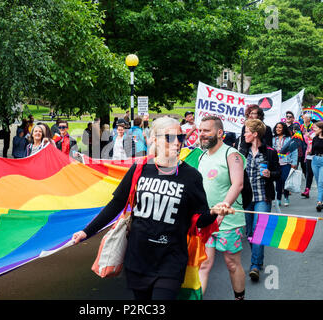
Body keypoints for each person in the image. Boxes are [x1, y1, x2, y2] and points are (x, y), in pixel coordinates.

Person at [72, 116, 234, 300]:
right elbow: (116, 204)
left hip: (171, 260)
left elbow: (201, 218)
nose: (177, 143)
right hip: (138, 258)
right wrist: (87, 231)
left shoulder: (191, 176)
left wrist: (214, 211)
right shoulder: (140, 168)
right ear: (155, 139)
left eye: (180, 138)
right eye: (170, 138)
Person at [197, 116, 246, 300]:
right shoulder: (201, 156)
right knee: (203, 265)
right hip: (207, 220)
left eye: (206, 130)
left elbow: (238, 184)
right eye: (200, 130)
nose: (202, 134)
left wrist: (224, 206)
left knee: (232, 264)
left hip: (228, 221)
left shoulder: (232, 155)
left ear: (219, 133)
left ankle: (239, 297)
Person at [241, 119, 280, 282]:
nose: (244, 134)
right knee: (250, 233)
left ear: (255, 134)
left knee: (259, 232)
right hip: (247, 198)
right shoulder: (241, 151)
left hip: (263, 197)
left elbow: (279, 173)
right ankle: (259, 259)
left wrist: (270, 174)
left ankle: (255, 265)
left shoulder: (270, 152)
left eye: (247, 131)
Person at [272, 122, 298, 207]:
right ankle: (278, 199)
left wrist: (294, 162)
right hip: (276, 163)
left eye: (280, 127)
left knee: (285, 180)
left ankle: (286, 197)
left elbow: (294, 151)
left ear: (283, 129)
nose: (278, 129)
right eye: (277, 127)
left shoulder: (289, 139)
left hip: (286, 162)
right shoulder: (273, 138)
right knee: (278, 181)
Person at [302, 118, 317, 198]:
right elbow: (306, 143)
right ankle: (307, 190)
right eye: (313, 125)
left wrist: (311, 138)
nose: (313, 126)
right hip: (309, 156)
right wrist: (306, 136)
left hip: (317, 157)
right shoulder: (310, 133)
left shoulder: (319, 135)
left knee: (318, 176)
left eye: (315, 125)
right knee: (309, 174)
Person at [311, 121, 323, 211]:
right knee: (319, 182)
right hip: (315, 160)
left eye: (316, 128)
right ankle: (321, 200)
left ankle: (319, 202)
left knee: (321, 182)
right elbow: (312, 150)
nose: (314, 129)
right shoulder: (315, 138)